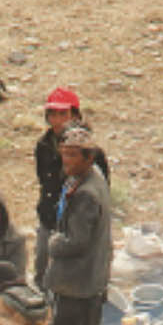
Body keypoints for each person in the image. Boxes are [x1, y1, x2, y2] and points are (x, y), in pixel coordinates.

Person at [43, 124, 112, 325]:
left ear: (88, 157)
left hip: (77, 278)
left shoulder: (86, 194)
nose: (66, 161)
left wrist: (53, 243)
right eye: (64, 155)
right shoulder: (94, 179)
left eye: (72, 156)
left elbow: (76, 242)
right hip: (94, 275)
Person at [34, 87, 109, 288]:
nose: (58, 120)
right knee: (42, 268)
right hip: (50, 215)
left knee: (74, 273)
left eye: (63, 114)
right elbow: (44, 181)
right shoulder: (43, 145)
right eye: (53, 114)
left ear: (75, 115)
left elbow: (101, 190)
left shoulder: (91, 152)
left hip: (77, 218)